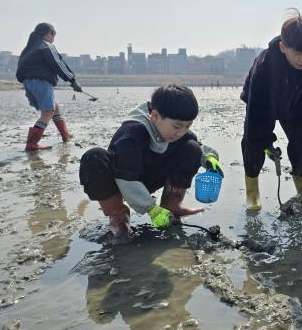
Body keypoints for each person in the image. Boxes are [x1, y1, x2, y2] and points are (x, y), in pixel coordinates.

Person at [79, 84, 223, 237]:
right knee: (93, 157)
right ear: (154, 116)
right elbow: (126, 179)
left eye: (187, 126)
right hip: (121, 179)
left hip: (147, 178)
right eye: (177, 126)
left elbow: (198, 146)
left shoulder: (176, 132)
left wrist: (209, 158)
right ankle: (118, 215)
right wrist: (151, 209)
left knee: (192, 148)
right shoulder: (131, 134)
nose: (181, 132)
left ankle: (171, 206)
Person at [240, 9, 302, 211]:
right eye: (298, 53)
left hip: (296, 103)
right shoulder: (265, 65)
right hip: (264, 102)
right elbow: (258, 110)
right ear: (283, 47)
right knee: (253, 143)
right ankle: (252, 192)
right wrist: (265, 143)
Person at [16, 23, 82, 151]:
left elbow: (20, 69)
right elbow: (58, 63)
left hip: (27, 83)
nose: (54, 38)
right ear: (48, 33)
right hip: (41, 82)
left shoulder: (28, 49)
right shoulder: (46, 45)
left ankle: (65, 135)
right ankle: (32, 143)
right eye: (54, 34)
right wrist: (73, 81)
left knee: (54, 107)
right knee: (47, 112)